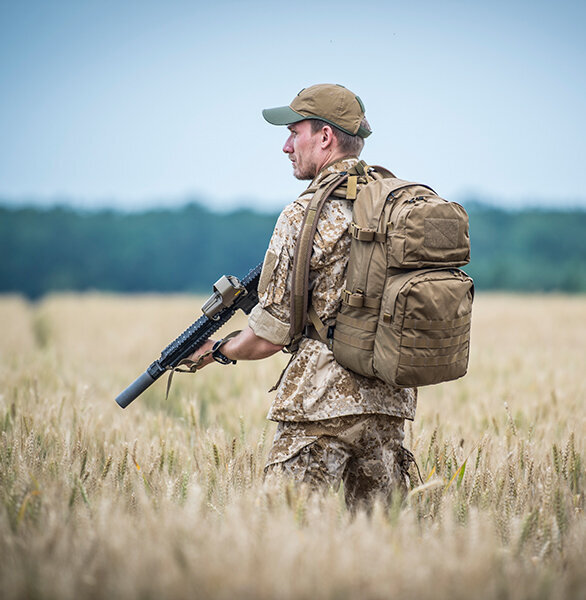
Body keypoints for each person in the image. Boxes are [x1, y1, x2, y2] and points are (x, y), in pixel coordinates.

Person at [191, 84, 416, 511]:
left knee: (285, 535)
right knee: (377, 549)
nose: (285, 146)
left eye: (295, 133)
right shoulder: (394, 206)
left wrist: (218, 350)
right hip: (389, 407)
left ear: (326, 137)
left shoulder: (304, 212)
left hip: (317, 407)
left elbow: (268, 336)